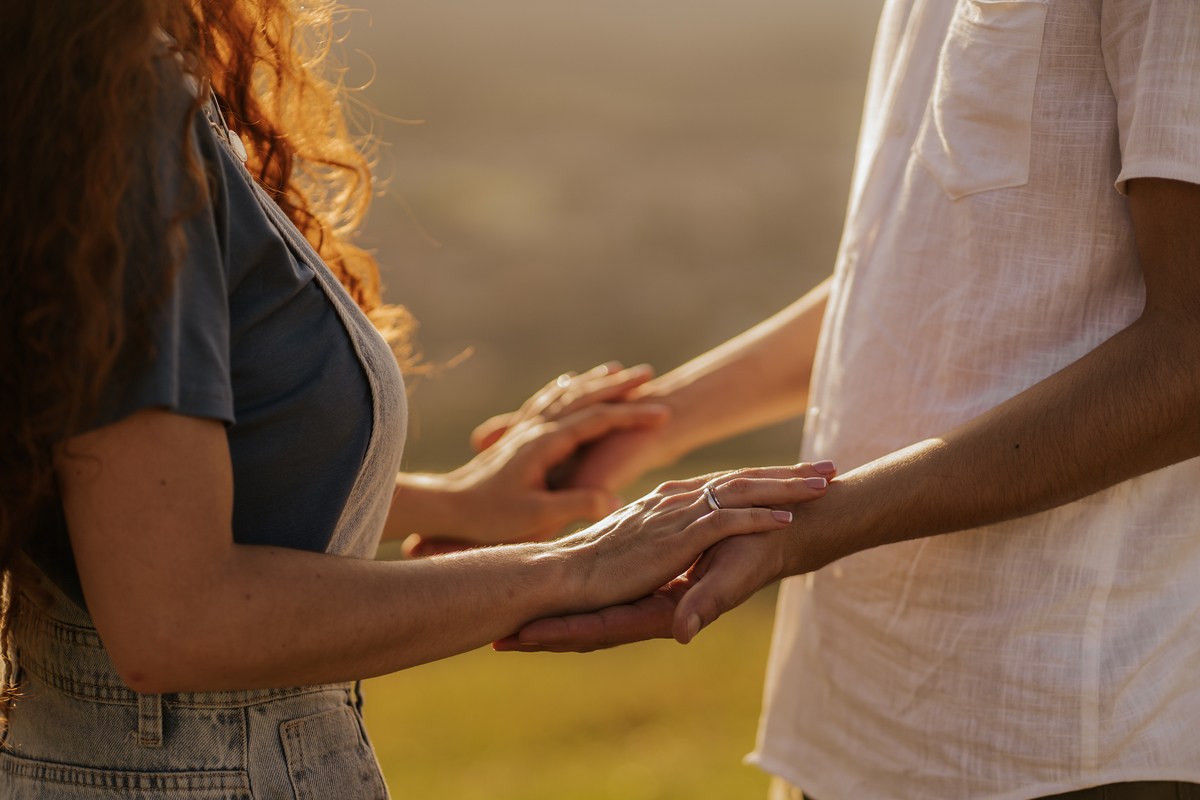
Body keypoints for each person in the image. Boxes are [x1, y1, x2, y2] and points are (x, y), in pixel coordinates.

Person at [0, 2, 834, 797]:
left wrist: (453, 501)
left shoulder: (107, 86)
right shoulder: (130, 119)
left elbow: (145, 496)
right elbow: (175, 618)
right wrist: (579, 565)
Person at [492, 1, 1200, 798]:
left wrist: (804, 525)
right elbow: (930, 268)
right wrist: (650, 425)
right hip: (846, 725)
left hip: (1057, 742)